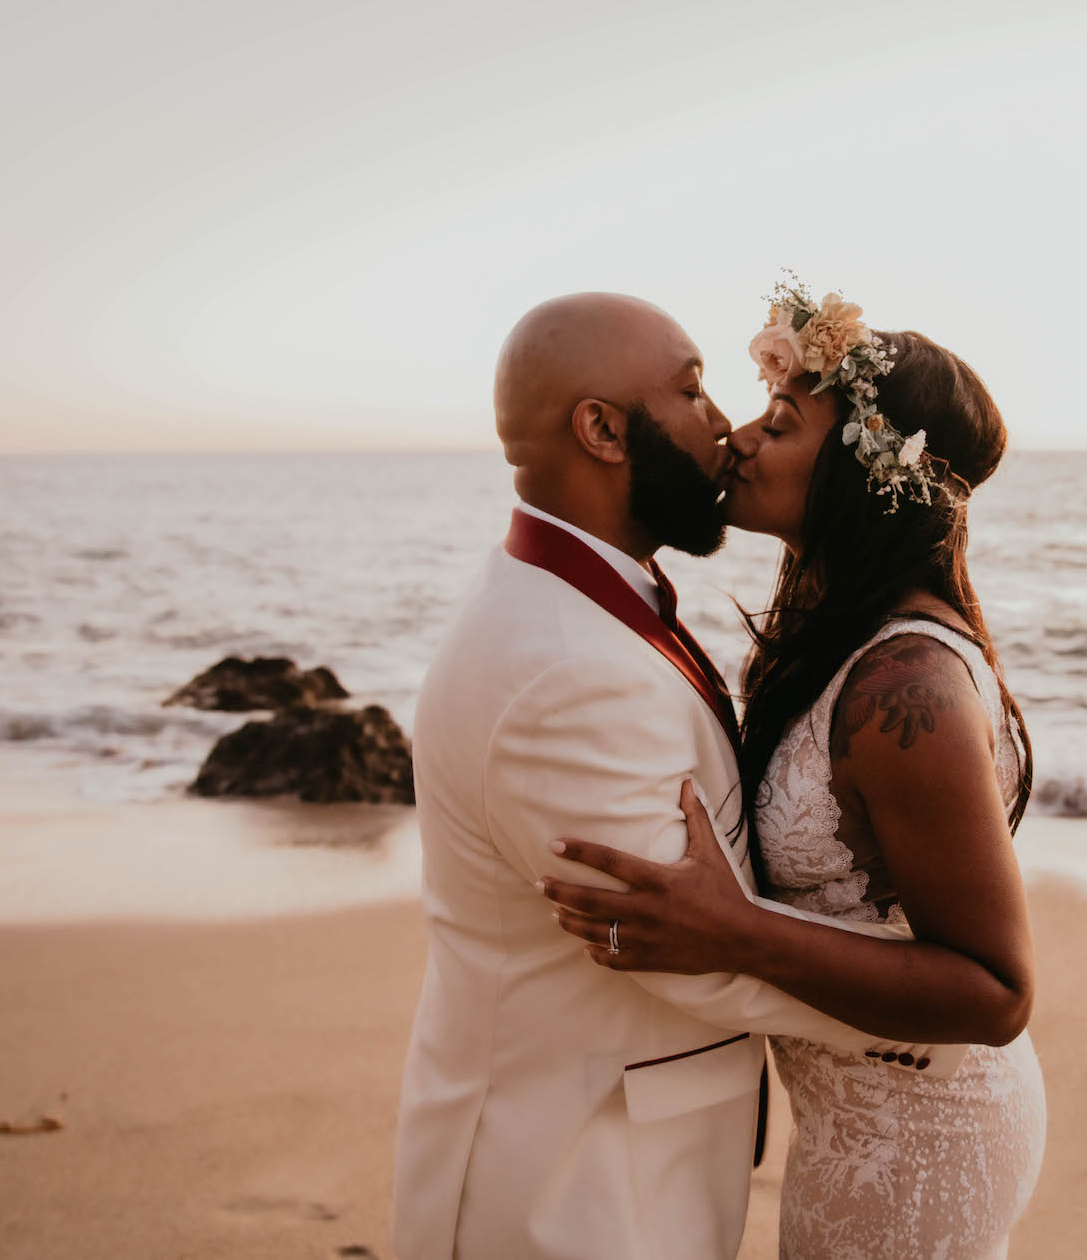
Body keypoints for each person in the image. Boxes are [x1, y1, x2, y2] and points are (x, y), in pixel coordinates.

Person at [392, 292, 963, 1260]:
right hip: (569, 1184)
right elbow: (673, 940)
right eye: (693, 390)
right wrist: (933, 1014)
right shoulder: (564, 666)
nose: (725, 428)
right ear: (603, 428)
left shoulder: (590, 606)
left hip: (627, 1149)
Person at [539, 280, 1047, 1259]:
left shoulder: (909, 687)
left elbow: (995, 991)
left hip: (921, 1135)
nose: (737, 437)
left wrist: (733, 930)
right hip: (855, 1117)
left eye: (780, 421)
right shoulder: (834, 637)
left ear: (863, 472)